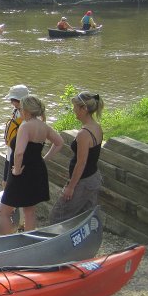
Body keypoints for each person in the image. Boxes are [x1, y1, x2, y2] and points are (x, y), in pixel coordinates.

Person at [0, 95, 63, 234]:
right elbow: (59, 142)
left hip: (22, 171)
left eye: (21, 109)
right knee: (29, 211)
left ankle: (7, 242)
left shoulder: (26, 126)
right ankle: (29, 241)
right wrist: (44, 159)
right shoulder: (44, 126)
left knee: (3, 211)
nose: (20, 111)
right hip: (37, 170)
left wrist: (16, 170)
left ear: (26, 110)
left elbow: (19, 152)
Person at [50, 92, 104, 224]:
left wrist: (71, 187)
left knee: (58, 216)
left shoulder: (84, 134)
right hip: (94, 177)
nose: (73, 110)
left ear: (84, 109)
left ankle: (58, 242)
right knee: (85, 216)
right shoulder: (96, 127)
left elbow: (81, 163)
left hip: (83, 182)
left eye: (75, 107)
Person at [2, 84, 29, 189]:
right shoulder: (16, 111)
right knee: (4, 183)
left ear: (20, 100)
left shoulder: (29, 116)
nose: (11, 102)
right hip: (9, 153)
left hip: (17, 155)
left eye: (12, 100)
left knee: (12, 186)